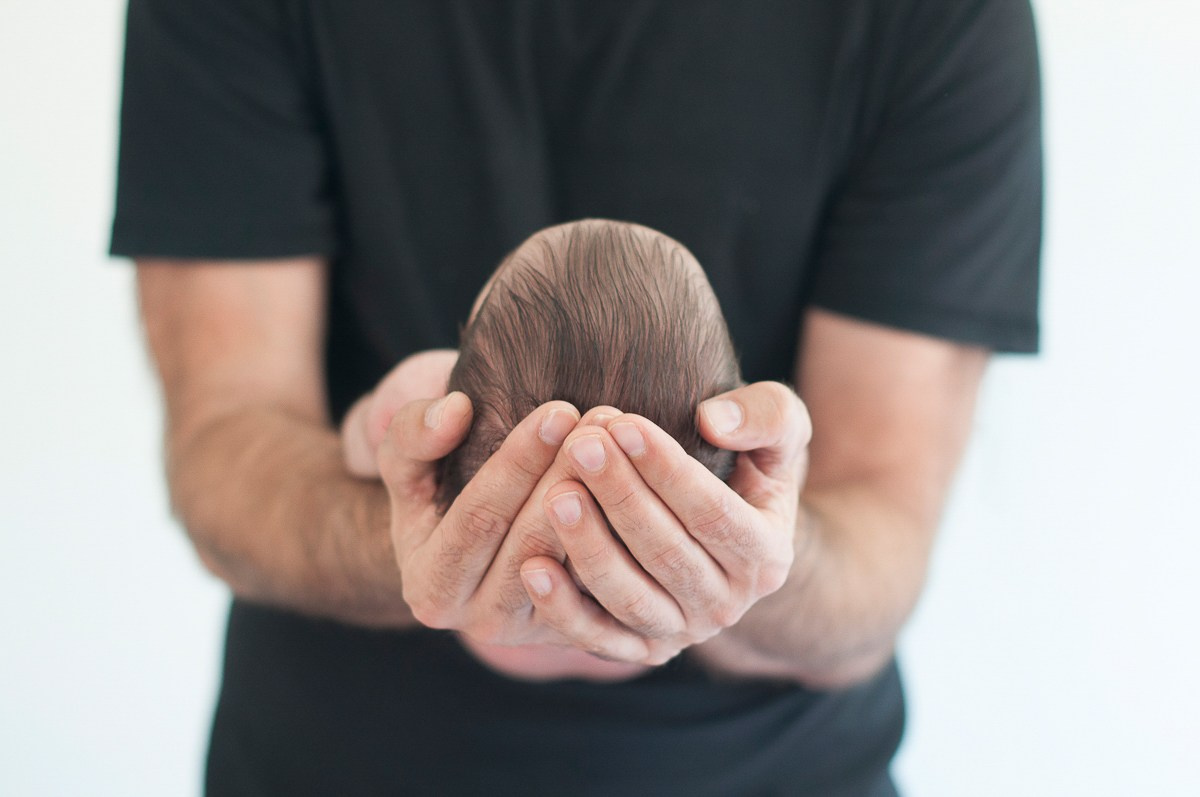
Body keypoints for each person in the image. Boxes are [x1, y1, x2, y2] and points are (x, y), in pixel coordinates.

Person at [113, 1, 1042, 794]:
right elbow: (227, 450)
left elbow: (884, 546)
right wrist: (420, 531)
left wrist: (738, 557)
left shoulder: (933, 17)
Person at [345, 217, 742, 681]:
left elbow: (360, 449)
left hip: (461, 647)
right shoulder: (735, 435)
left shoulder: (431, 397)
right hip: (646, 640)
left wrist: (373, 418)